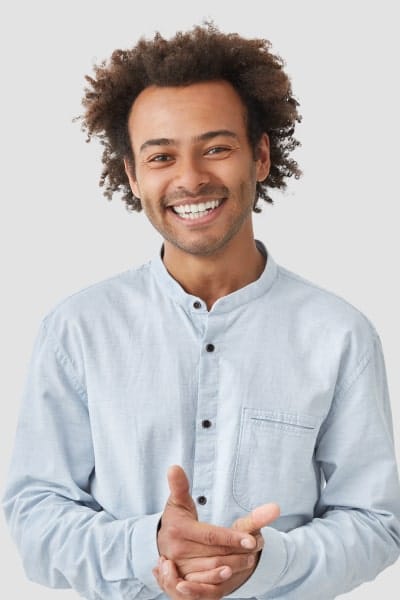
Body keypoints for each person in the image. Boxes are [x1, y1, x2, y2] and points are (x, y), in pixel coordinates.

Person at [2, 22, 400, 600]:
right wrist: (150, 545)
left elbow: (375, 523)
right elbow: (35, 521)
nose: (190, 179)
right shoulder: (76, 330)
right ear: (133, 176)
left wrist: (264, 562)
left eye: (216, 148)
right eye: (161, 156)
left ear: (259, 156)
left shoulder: (340, 334)